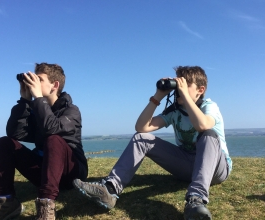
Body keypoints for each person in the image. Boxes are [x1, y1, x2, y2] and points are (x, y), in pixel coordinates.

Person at [73, 66, 232, 220]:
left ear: (200, 90)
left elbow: (202, 125)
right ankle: (110, 189)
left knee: (208, 135)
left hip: (217, 169)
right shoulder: (175, 111)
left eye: (185, 85)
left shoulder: (209, 106)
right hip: (187, 166)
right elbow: (141, 127)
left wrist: (184, 94)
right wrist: (157, 96)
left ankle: (196, 200)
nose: (179, 89)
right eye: (178, 84)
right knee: (140, 137)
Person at [0, 63, 88, 220]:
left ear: (55, 85)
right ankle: (6, 201)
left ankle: (46, 204)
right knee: (4, 143)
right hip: (44, 171)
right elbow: (15, 133)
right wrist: (25, 100)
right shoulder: (36, 109)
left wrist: (38, 98)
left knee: (53, 139)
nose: (34, 83)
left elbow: (51, 128)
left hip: (71, 175)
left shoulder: (72, 110)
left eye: (39, 80)